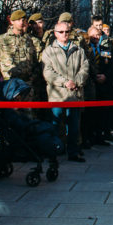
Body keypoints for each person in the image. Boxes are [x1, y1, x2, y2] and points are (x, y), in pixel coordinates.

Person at [42, 19, 89, 162]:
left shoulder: (78, 50)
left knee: (74, 126)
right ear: (55, 33)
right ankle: (55, 152)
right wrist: (64, 82)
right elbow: (47, 72)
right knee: (55, 125)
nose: (64, 34)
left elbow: (85, 68)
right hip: (57, 95)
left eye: (67, 32)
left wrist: (76, 81)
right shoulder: (48, 51)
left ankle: (73, 152)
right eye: (61, 32)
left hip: (74, 94)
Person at [0, 9, 38, 102]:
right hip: (9, 85)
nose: (21, 22)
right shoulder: (1, 39)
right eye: (18, 20)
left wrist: (32, 77)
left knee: (28, 114)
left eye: (23, 20)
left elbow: (34, 60)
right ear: (12, 21)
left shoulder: (29, 40)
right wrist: (2, 75)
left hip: (26, 84)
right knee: (11, 113)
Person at [85, 24, 113, 146]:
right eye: (93, 35)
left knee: (103, 113)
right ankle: (89, 137)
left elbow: (111, 66)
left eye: (98, 35)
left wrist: (105, 76)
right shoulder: (85, 49)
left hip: (103, 85)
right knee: (90, 114)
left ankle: (101, 136)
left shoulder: (105, 49)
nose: (95, 37)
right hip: (90, 84)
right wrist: (94, 77)